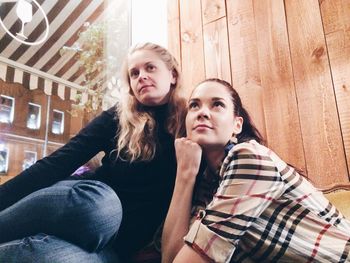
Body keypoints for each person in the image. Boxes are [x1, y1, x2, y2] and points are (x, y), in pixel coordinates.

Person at [0, 42, 186, 263]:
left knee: (52, 257)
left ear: (173, 75)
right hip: (85, 206)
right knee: (101, 208)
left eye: (150, 68)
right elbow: (58, 163)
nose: (141, 77)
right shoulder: (118, 117)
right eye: (134, 73)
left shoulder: (191, 124)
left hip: (114, 248)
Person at [162, 78, 350, 263]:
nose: (202, 112)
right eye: (194, 105)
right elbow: (170, 257)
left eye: (217, 104)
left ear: (237, 125)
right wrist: (185, 175)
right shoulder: (208, 184)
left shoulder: (249, 157)